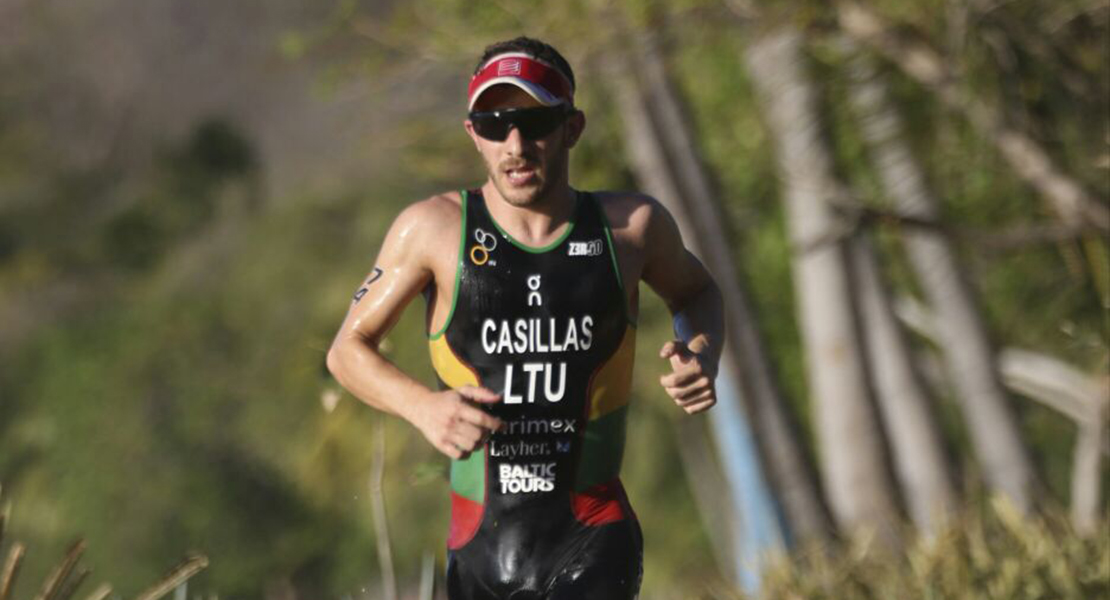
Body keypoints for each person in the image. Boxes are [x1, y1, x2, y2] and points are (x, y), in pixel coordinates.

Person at [327, 36, 723, 600]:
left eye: (534, 121)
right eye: (494, 125)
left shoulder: (632, 227)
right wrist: (423, 407)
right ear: (474, 135)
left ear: (572, 127)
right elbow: (348, 350)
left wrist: (702, 352)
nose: (515, 144)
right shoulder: (433, 231)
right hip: (480, 548)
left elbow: (698, 291)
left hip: (593, 534)